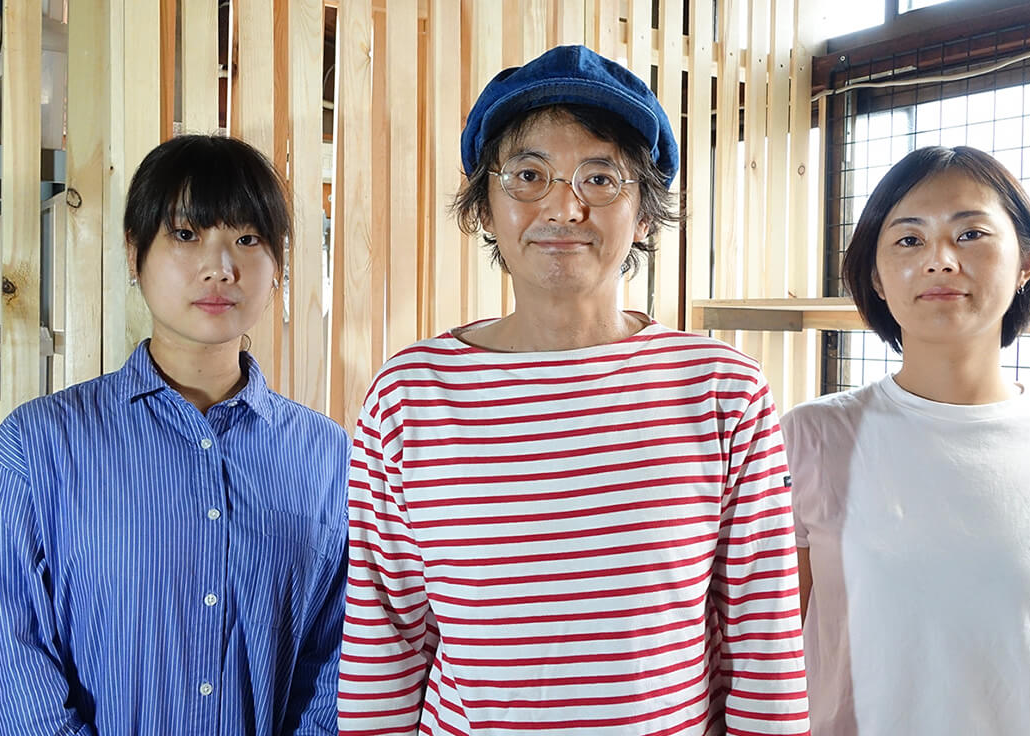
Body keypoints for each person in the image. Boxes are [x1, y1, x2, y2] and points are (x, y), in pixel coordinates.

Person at [338, 45, 810, 735]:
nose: (564, 207)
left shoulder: (721, 389)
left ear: (646, 214)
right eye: (529, 175)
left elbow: (763, 641)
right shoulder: (410, 396)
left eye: (601, 178)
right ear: (486, 208)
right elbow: (388, 638)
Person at [0, 135, 350, 735]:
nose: (221, 266)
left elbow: (341, 655)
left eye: (247, 239)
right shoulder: (38, 446)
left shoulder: (326, 455)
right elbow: (1, 656)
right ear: (136, 254)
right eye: (187, 235)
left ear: (278, 266)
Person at [782, 145, 1030, 735]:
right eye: (909, 240)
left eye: (970, 233)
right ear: (876, 277)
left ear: (1026, 263)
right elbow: (780, 646)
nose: (940, 260)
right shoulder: (811, 436)